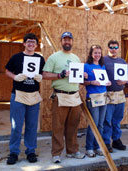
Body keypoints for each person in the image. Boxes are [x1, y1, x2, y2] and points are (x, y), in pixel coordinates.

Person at [42, 32, 85, 163]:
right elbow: (44, 75)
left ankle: (72, 151)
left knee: (73, 126)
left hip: (74, 97)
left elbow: (79, 77)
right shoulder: (54, 57)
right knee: (58, 126)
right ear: (61, 41)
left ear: (72, 42)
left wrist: (84, 76)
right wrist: (59, 75)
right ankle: (56, 153)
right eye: (65, 40)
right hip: (60, 96)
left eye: (69, 40)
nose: (67, 42)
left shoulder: (76, 58)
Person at [5, 33, 45, 165]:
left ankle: (31, 151)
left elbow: (42, 73)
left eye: (33, 42)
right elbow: (7, 71)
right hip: (18, 94)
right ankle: (14, 152)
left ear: (36, 45)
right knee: (16, 126)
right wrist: (15, 77)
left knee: (32, 126)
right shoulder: (16, 57)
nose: (31, 44)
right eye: (28, 42)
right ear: (24, 43)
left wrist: (41, 77)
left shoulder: (39, 58)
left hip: (33, 94)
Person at [84, 45, 111, 157]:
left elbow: (103, 81)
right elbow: (81, 82)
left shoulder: (102, 66)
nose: (97, 55)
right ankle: (89, 147)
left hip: (103, 96)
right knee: (93, 123)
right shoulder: (86, 66)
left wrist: (107, 82)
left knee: (100, 124)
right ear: (91, 54)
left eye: (99, 53)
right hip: (93, 97)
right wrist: (91, 82)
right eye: (95, 53)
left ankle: (97, 146)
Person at [103, 40, 128, 152]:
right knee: (107, 120)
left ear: (118, 48)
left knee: (117, 119)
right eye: (111, 47)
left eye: (115, 47)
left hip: (120, 94)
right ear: (108, 48)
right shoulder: (103, 60)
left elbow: (126, 77)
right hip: (108, 94)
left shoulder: (122, 62)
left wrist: (124, 82)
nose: (113, 49)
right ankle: (106, 142)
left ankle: (116, 140)